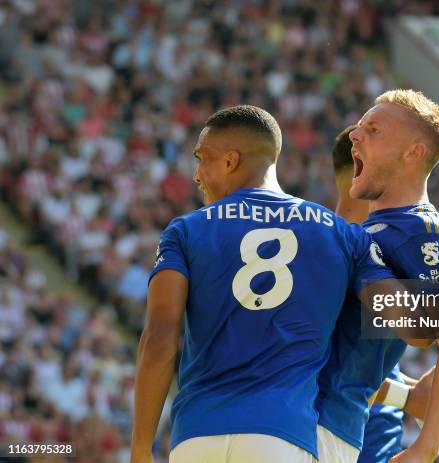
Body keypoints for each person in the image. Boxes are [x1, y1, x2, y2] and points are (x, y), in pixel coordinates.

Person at [129, 105, 421, 463]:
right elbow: (415, 326)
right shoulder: (341, 235)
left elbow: (159, 339)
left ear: (230, 161)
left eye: (201, 159)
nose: (196, 174)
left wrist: (141, 448)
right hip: (281, 439)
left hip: (195, 438)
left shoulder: (186, 229)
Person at [317, 90, 439, 463]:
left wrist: (424, 449)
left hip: (332, 429)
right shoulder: (372, 229)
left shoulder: (422, 229)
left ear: (413, 152)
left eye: (374, 129)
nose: (356, 135)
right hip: (304, 419)